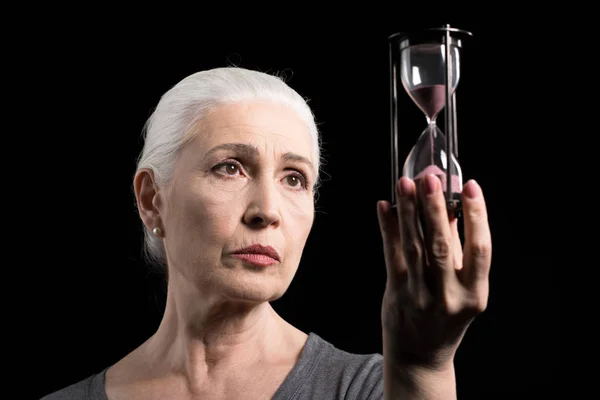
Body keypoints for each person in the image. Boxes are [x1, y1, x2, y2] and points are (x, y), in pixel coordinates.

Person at [42, 66, 492, 400]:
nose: (267, 211)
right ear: (151, 199)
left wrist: (423, 368)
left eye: (294, 178)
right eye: (230, 167)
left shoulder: (376, 388)